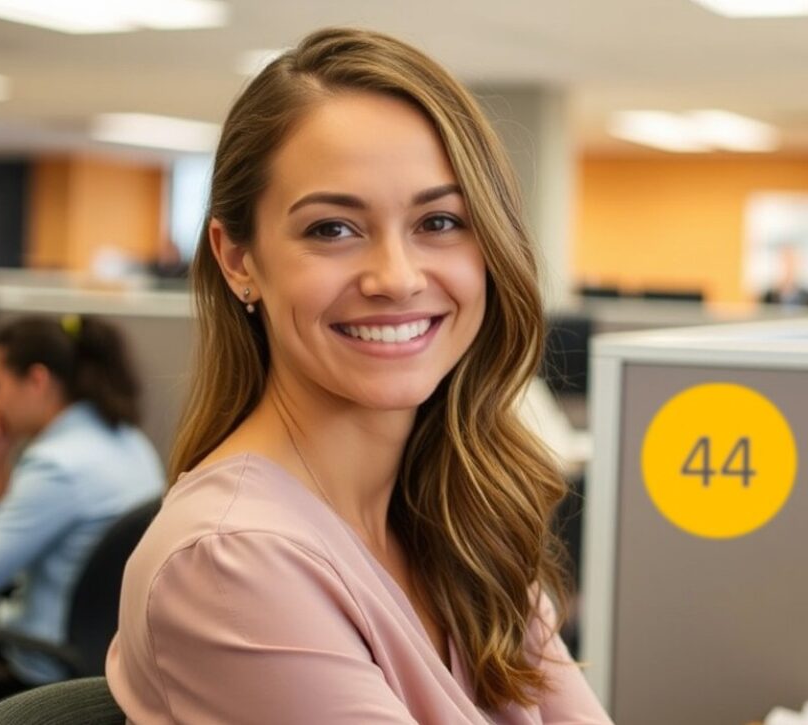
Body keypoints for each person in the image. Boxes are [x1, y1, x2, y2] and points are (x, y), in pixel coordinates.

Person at [107, 27, 612, 724]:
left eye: (439, 220)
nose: (397, 279)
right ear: (238, 259)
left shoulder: (459, 514)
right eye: (333, 229)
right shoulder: (231, 563)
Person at [0, 314, 164, 719]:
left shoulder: (56, 466)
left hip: (39, 668)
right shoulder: (128, 440)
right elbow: (25, 529)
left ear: (38, 381)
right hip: (103, 654)